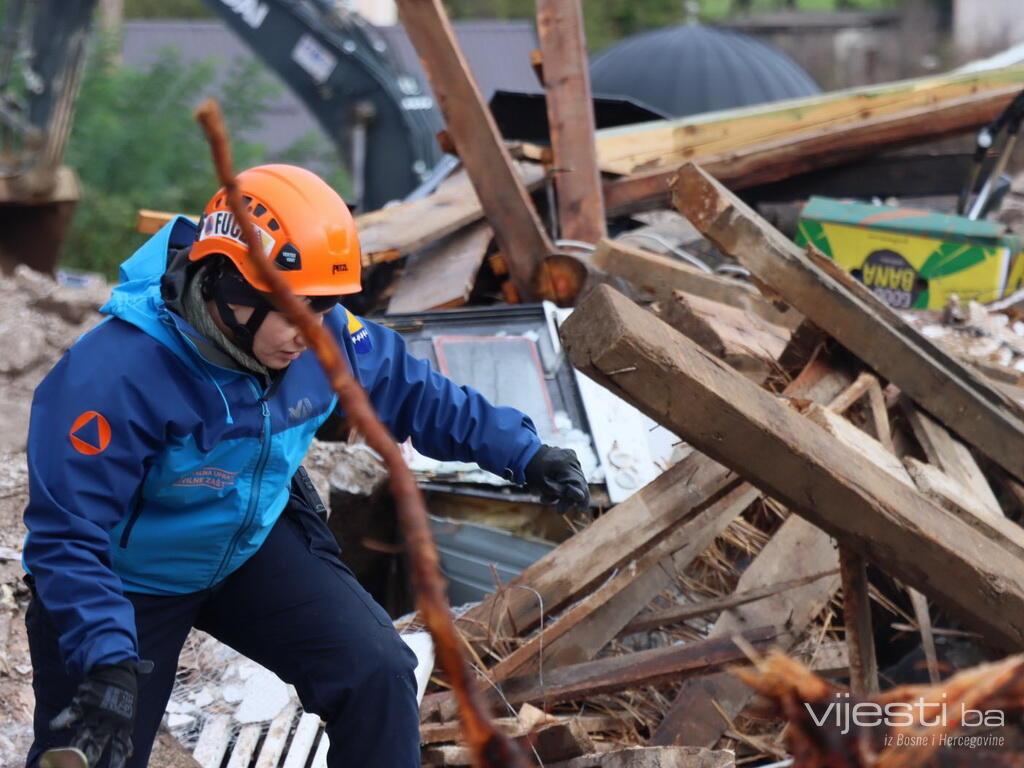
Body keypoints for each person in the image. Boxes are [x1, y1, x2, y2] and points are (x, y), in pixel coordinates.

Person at [23, 164, 589, 768]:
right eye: (292, 309)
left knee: (376, 671)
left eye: (322, 307)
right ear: (229, 284)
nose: (308, 333)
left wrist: (525, 453)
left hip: (247, 548)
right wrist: (105, 653)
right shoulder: (114, 373)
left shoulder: (320, 335)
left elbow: (411, 389)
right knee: (92, 747)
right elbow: (67, 536)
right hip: (127, 576)